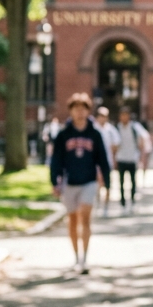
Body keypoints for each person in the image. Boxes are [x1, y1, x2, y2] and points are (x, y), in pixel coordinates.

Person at [49, 93, 110, 274]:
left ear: (88, 111)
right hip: (70, 183)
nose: (80, 112)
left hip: (89, 182)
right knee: (73, 220)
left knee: (85, 216)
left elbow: (103, 159)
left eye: (83, 109)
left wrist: (106, 181)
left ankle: (84, 258)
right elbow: (56, 160)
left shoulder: (95, 134)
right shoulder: (63, 135)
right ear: (71, 111)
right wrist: (54, 181)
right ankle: (76, 256)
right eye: (76, 109)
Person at [115, 107, 150, 211]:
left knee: (133, 181)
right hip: (121, 158)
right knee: (121, 182)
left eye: (126, 115)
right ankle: (122, 203)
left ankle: (133, 201)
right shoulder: (117, 128)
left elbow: (144, 137)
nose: (124, 117)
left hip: (132, 158)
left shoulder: (135, 127)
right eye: (122, 115)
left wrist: (142, 155)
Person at [94, 106, 120, 216]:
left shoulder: (110, 130)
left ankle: (106, 207)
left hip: (107, 162)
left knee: (107, 185)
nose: (103, 118)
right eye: (101, 116)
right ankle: (97, 205)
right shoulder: (93, 129)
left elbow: (116, 144)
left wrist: (114, 158)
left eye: (105, 116)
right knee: (97, 185)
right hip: (94, 163)